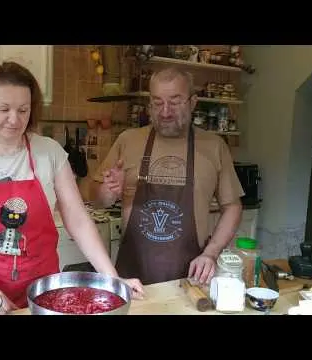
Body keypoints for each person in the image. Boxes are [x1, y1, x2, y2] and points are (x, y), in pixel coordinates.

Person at [0, 61, 144, 313]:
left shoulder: (50, 153)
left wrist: (112, 278)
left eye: (23, 110)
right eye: (4, 109)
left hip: (39, 296)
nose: (15, 119)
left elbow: (77, 220)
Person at [93, 66, 244, 286]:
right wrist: (107, 192)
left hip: (191, 276)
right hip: (133, 278)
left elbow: (233, 206)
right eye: (157, 103)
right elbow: (97, 200)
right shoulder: (128, 141)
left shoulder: (214, 146)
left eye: (174, 102)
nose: (165, 112)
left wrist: (211, 253)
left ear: (193, 102)